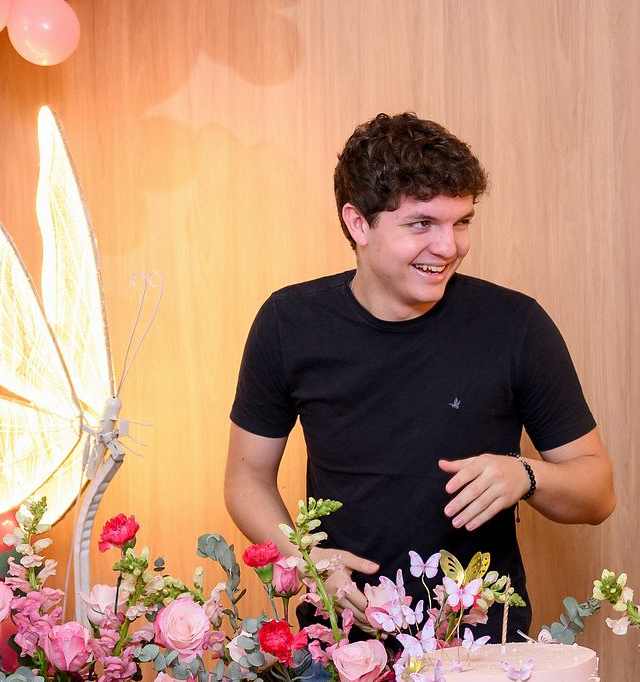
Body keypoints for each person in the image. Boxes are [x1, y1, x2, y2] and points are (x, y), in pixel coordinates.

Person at [224, 113, 615, 636]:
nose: (449, 247)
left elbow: (598, 493)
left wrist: (524, 474)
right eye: (421, 224)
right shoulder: (289, 322)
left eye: (462, 222)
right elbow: (246, 477)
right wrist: (305, 560)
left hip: (481, 647)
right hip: (339, 643)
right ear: (358, 223)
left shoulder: (515, 325)